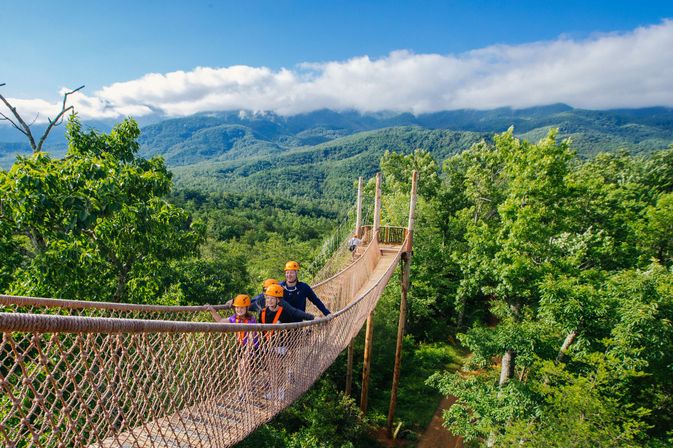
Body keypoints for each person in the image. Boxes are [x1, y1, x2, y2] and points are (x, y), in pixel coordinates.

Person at [258, 283, 314, 402]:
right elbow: (260, 331)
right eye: (267, 298)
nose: (269, 300)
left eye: (272, 298)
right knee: (272, 369)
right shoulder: (262, 313)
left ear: (278, 300)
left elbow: (293, 322)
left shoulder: (285, 313)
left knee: (277, 368)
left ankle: (280, 390)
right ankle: (274, 390)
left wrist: (312, 318)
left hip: (281, 345)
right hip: (267, 345)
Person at [206, 295, 258, 397]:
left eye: (242, 308)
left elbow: (252, 337)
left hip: (252, 347)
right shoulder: (234, 318)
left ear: (247, 308)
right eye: (237, 307)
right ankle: (246, 388)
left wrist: (248, 351)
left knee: (243, 368)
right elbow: (220, 321)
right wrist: (212, 311)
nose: (239, 310)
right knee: (242, 369)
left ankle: (244, 390)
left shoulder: (251, 319)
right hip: (241, 346)